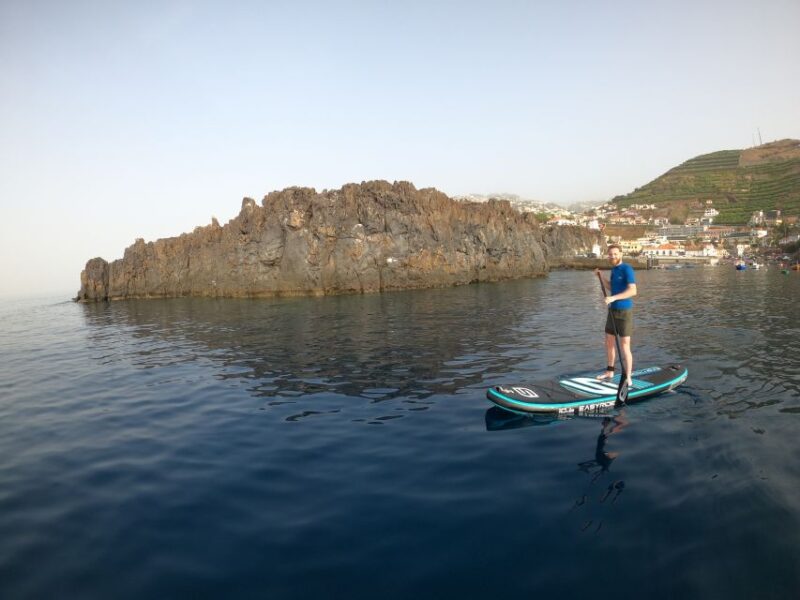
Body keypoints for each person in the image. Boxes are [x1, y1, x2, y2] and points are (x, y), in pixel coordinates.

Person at [594, 244, 637, 386]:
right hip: (612, 311)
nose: (613, 256)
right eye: (610, 254)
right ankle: (610, 371)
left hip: (624, 312)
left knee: (625, 346)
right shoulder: (614, 270)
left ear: (621, 254)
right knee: (609, 343)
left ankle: (628, 376)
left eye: (615, 254)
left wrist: (613, 298)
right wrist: (601, 277)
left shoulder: (627, 269)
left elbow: (632, 291)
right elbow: (612, 287)